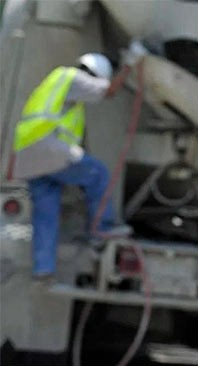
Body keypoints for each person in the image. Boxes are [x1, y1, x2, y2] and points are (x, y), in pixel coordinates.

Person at [12, 47, 145, 281]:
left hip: (27, 155)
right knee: (98, 174)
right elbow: (110, 91)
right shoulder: (74, 77)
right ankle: (101, 230)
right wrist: (129, 64)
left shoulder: (56, 81)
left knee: (45, 212)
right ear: (94, 73)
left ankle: (43, 267)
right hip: (49, 150)